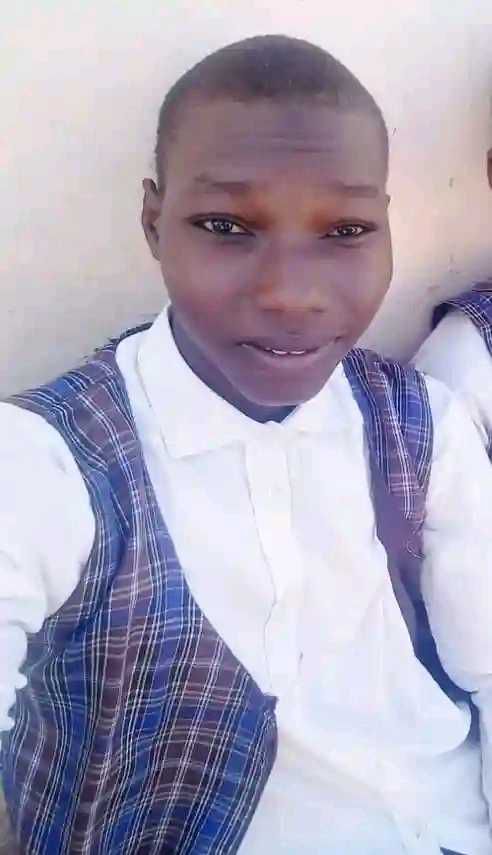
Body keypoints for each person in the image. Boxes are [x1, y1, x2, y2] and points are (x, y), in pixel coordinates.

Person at [1, 35, 492, 855]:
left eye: (345, 230)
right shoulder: (49, 459)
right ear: (154, 223)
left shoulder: (424, 426)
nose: (291, 293)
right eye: (226, 226)